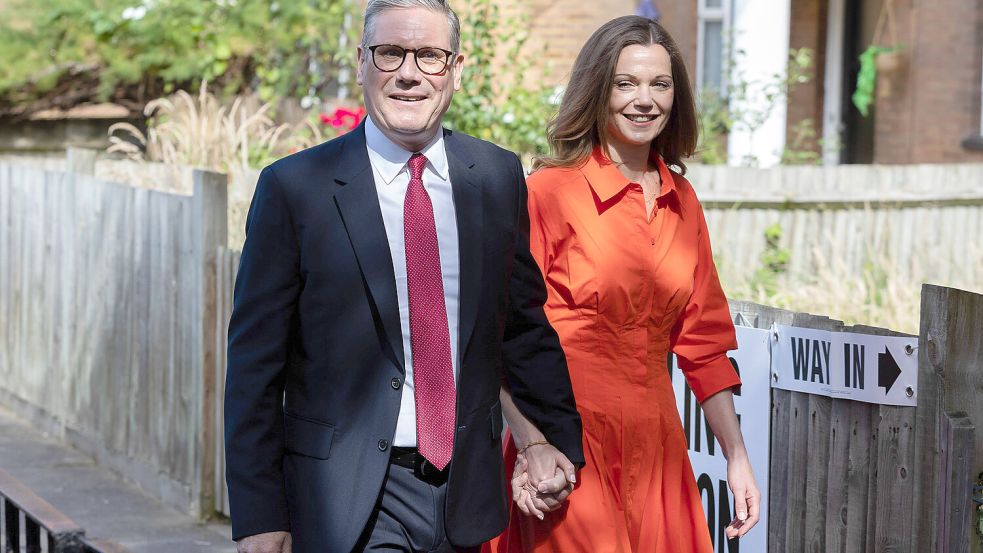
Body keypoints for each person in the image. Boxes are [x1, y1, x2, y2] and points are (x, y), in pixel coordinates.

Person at [224, 1, 584, 552]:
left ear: (456, 69)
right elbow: (255, 366)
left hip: (466, 491)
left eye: (430, 56)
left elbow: (522, 328)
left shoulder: (495, 176)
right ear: (362, 62)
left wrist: (554, 438)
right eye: (391, 53)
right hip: (344, 497)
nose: (409, 73)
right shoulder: (296, 189)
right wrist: (259, 515)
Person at [486, 15, 760, 553]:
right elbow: (495, 336)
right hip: (564, 441)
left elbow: (703, 344)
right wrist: (530, 442)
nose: (644, 99)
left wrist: (737, 457)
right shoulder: (548, 192)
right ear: (597, 90)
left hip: (657, 448)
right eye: (625, 83)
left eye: (660, 84)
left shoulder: (684, 201)